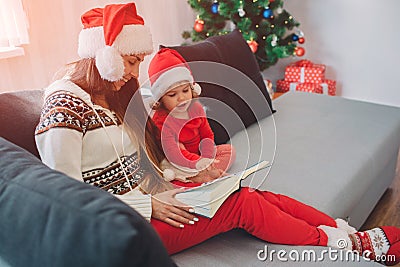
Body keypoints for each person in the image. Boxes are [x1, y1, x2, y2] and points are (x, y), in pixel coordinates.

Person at [34, 3, 400, 266]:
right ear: (103, 56)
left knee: (249, 192)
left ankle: (341, 232)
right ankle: (347, 244)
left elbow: (144, 156)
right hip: (113, 229)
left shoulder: (115, 93)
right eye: (130, 62)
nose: (133, 73)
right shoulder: (63, 109)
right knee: (241, 206)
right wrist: (147, 205)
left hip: (149, 201)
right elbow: (62, 195)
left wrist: (184, 178)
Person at [148, 48, 236, 183]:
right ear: (161, 99)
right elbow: (174, 153)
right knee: (169, 169)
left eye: (185, 90)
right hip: (179, 162)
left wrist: (206, 158)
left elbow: (207, 135)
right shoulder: (162, 121)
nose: (182, 98)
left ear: (192, 88)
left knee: (228, 151)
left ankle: (205, 174)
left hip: (200, 156)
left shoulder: (196, 108)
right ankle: (197, 177)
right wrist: (197, 162)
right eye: (172, 95)